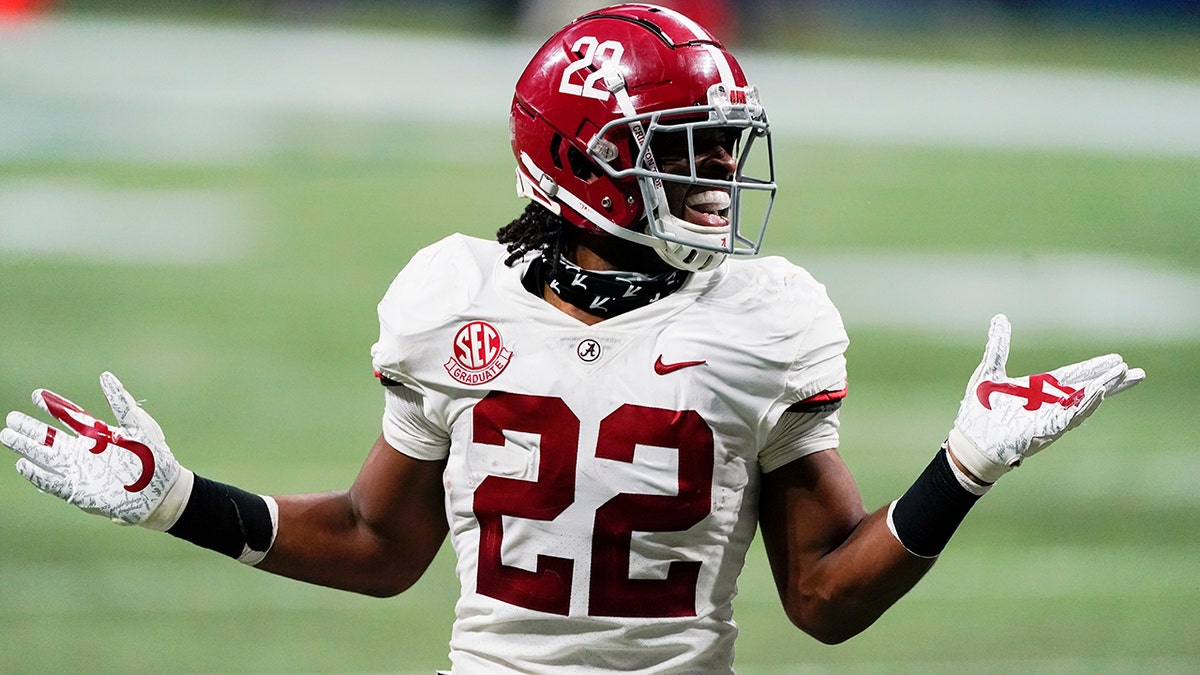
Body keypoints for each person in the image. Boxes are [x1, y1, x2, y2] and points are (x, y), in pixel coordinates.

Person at [0, 4, 1144, 674]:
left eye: (719, 146)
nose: (715, 180)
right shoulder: (455, 298)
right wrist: (176, 500)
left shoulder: (764, 317)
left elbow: (823, 600)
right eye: (683, 150)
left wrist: (960, 474)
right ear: (581, 160)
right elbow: (376, 544)